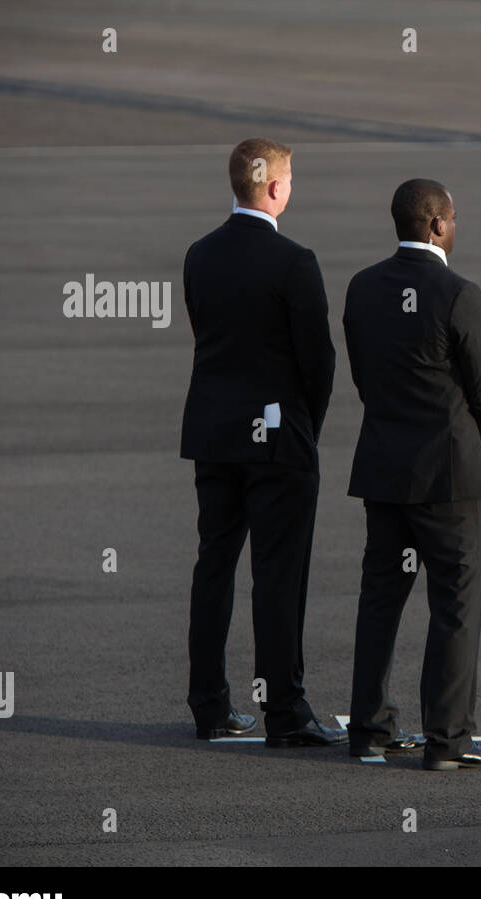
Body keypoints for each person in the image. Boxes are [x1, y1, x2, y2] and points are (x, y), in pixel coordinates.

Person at [180, 137, 344, 747]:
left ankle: (209, 704)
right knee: (278, 575)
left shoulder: (199, 254)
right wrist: (304, 427)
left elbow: (210, 339)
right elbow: (318, 361)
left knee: (213, 567)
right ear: (273, 188)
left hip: (213, 434)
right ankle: (285, 710)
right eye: (291, 179)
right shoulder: (294, 262)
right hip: (277, 443)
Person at [343, 178, 481, 770]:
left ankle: (369, 729)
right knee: (456, 607)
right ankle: (448, 740)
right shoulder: (460, 294)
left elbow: (364, 378)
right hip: (450, 480)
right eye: (454, 218)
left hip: (385, 471)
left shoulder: (362, 288)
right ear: (437, 224)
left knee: (379, 601)